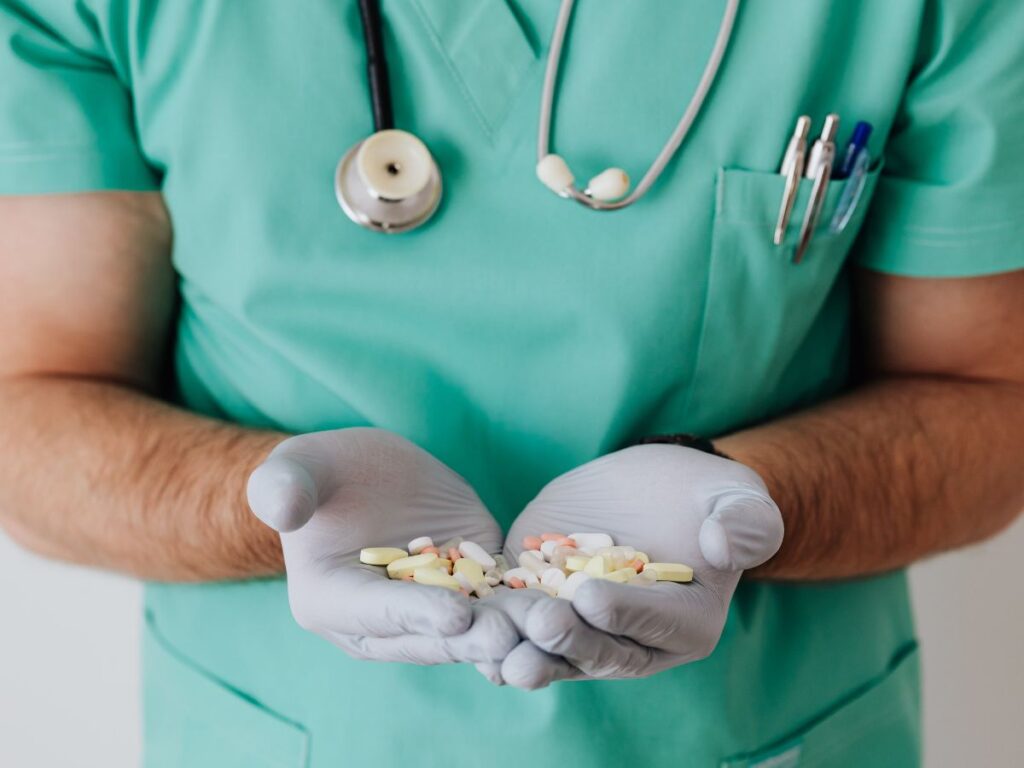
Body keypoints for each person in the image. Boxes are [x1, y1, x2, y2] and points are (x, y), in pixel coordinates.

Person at [1, 1, 1022, 765]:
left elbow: (986, 398)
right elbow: (33, 400)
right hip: (289, 731)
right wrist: (259, 503)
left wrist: (757, 497)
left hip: (756, 724)